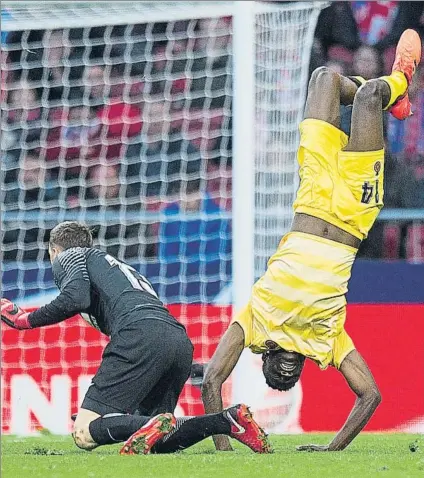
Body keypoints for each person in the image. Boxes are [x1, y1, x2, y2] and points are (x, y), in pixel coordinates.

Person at [202, 30, 421, 452]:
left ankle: (392, 98)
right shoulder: (327, 339)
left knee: (323, 78)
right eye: (290, 371)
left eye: (278, 370)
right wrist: (329, 449)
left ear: (264, 354)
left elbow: (213, 380)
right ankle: (399, 82)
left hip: (313, 195)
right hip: (353, 215)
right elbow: (371, 395)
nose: (284, 368)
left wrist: (225, 454)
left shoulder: (258, 322)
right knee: (371, 95)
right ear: (303, 363)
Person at [1, 221, 271, 454]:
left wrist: (25, 320)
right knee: (159, 439)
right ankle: (227, 421)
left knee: (84, 433)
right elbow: (148, 331)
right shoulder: (120, 272)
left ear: (54, 250)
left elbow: (76, 297)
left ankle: (141, 423)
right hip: (176, 339)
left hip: (140, 334)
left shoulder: (71, 255)